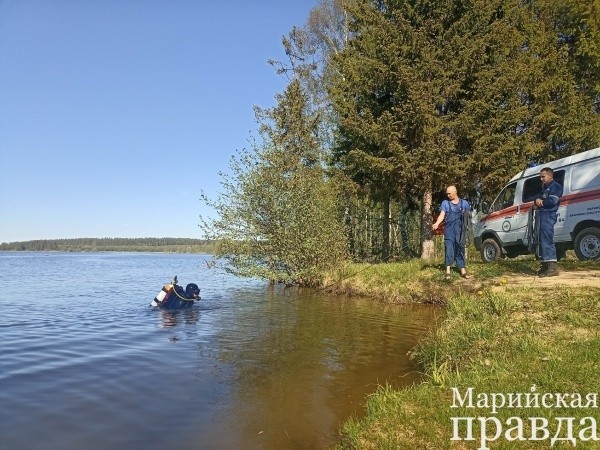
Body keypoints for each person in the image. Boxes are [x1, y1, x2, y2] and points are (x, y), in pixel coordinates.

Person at [432, 185, 471, 279]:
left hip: (460, 230)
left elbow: (469, 215)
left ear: (455, 192)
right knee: (449, 248)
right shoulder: (445, 203)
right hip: (449, 230)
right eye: (447, 194)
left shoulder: (464, 203)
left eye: (449, 193)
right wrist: (437, 223)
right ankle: (448, 270)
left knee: (460, 248)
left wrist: (465, 214)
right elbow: (442, 215)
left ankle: (462, 270)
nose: (448, 195)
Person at [534, 167, 563, 276]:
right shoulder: (545, 187)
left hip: (548, 215)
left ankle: (552, 268)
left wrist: (541, 202)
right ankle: (545, 266)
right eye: (540, 177)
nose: (541, 179)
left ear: (550, 176)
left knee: (547, 240)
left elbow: (552, 201)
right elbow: (538, 197)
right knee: (541, 240)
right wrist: (537, 200)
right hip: (542, 215)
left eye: (543, 176)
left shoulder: (555, 187)